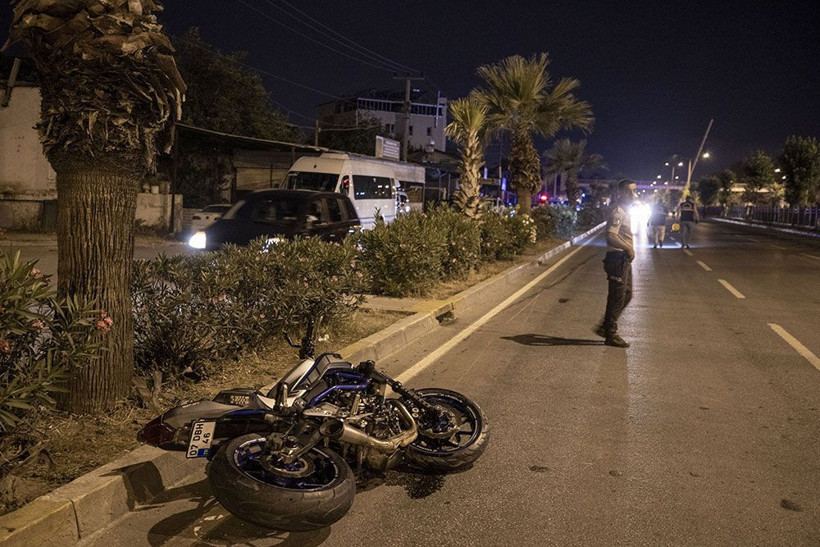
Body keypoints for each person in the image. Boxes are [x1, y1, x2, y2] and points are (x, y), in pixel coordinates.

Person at [594, 179, 638, 348]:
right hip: (617, 258)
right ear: (622, 193)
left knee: (626, 294)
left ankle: (605, 327)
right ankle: (610, 333)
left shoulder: (626, 211)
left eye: (634, 191)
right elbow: (611, 235)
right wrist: (628, 248)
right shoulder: (618, 212)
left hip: (623, 259)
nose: (633, 194)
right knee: (617, 297)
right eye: (629, 191)